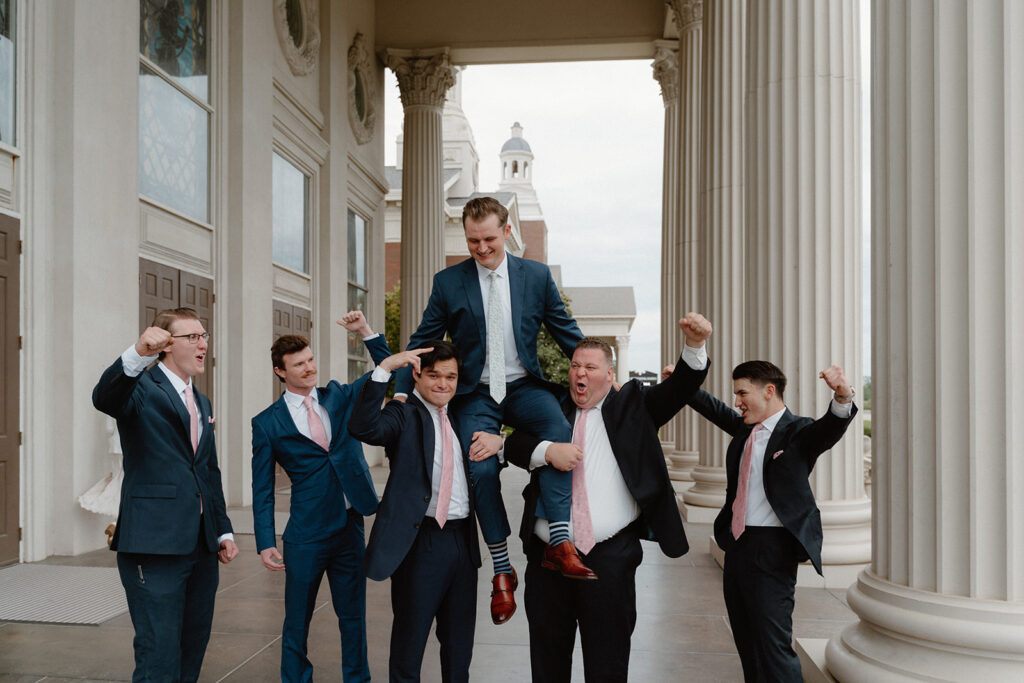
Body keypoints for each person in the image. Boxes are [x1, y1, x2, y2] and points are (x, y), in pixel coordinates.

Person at [394, 196, 589, 624]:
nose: (481, 249)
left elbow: (565, 332)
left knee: (559, 434)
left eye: (488, 239)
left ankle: (559, 541)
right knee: (479, 466)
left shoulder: (535, 276)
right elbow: (424, 339)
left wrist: (597, 373)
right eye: (472, 241)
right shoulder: (448, 282)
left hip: (523, 385)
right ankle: (502, 567)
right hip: (475, 392)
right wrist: (397, 388)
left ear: (506, 232)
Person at [502, 314, 712, 682]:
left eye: (591, 367)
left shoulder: (635, 406)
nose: (580, 374)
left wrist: (694, 347)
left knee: (608, 663)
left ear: (610, 375)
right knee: (547, 663)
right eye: (575, 366)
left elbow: (679, 388)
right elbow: (515, 442)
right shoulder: (551, 406)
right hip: (549, 560)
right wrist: (548, 450)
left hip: (609, 559)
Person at [675, 317, 857, 682]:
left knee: (772, 645)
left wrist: (842, 396)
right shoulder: (746, 431)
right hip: (738, 544)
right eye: (736, 394)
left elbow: (830, 427)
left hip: (773, 550)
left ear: (769, 391)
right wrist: (680, 382)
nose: (737, 401)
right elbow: (712, 407)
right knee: (746, 640)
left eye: (743, 393)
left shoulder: (798, 432)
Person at [92, 307, 238, 682]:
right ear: (166, 346)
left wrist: (222, 530)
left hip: (201, 547)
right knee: (158, 652)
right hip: (154, 545)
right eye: (193, 337)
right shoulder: (140, 387)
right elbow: (104, 396)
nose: (203, 343)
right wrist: (138, 352)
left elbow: (207, 470)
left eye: (204, 335)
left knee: (193, 647)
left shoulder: (201, 401)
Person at [250, 310, 391, 683]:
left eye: (310, 359)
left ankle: (357, 679)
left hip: (349, 525)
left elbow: (387, 370)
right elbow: (262, 488)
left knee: (353, 617)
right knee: (297, 620)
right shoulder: (267, 423)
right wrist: (265, 541)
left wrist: (365, 331)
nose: (309, 368)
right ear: (281, 371)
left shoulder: (340, 396)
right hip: (306, 534)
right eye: (299, 364)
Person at [348, 341, 483, 682]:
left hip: (463, 545)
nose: (443, 384)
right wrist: (384, 370)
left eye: (450, 377)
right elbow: (364, 428)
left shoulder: (463, 417)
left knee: (459, 648)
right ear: (418, 374)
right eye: (435, 375)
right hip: (420, 542)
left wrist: (499, 442)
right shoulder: (403, 413)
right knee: (410, 647)